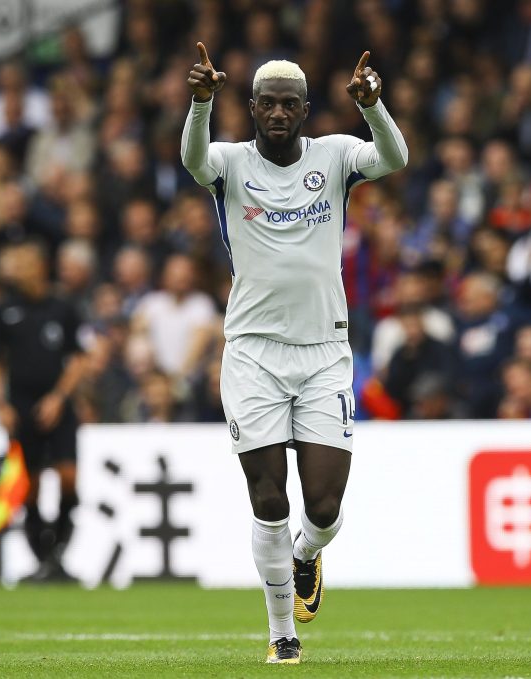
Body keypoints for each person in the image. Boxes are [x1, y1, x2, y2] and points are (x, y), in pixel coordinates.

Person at [182, 43, 407, 663]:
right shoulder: (228, 162)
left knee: (326, 508)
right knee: (268, 498)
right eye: (267, 103)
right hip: (252, 352)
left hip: (324, 352)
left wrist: (373, 106)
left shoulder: (334, 156)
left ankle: (308, 555)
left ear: (306, 110)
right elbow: (191, 157)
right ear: (251, 107)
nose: (278, 113)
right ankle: (283, 631)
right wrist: (200, 103)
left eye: (290, 104)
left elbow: (395, 156)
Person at [0, 240, 91, 582]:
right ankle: (44, 560)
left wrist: (59, 397)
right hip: (21, 407)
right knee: (31, 485)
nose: (17, 271)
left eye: (24, 264)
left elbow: (80, 358)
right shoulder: (3, 311)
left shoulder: (63, 308)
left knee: (68, 476)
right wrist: (0, 404)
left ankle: (57, 553)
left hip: (59, 406)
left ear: (40, 267)